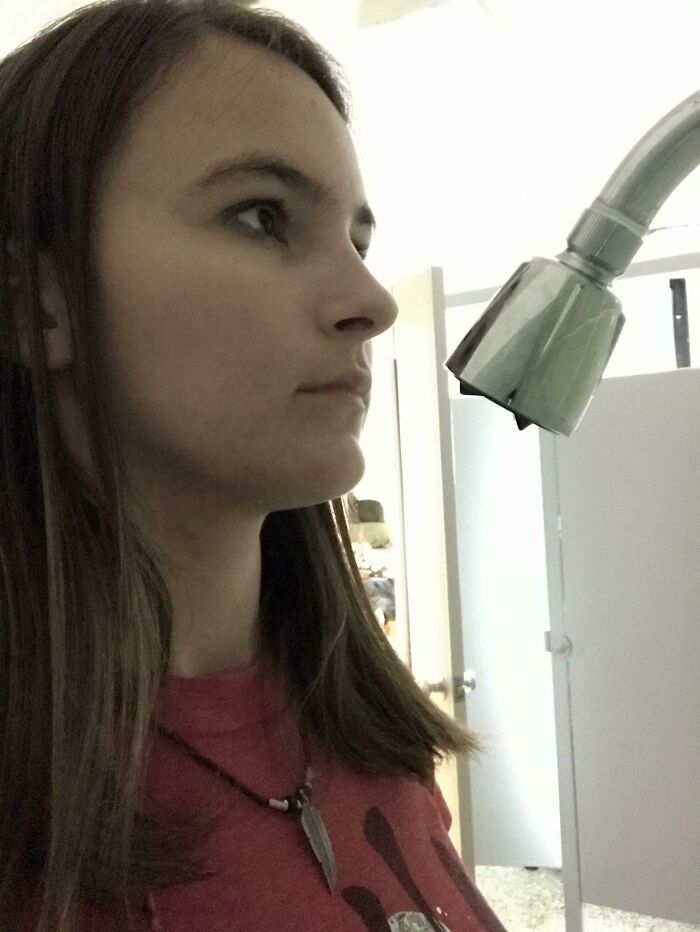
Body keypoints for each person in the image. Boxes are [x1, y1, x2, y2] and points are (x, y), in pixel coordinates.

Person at [0, 1, 505, 929]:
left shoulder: (371, 744)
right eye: (263, 217)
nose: (370, 300)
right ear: (37, 305)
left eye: (357, 241)